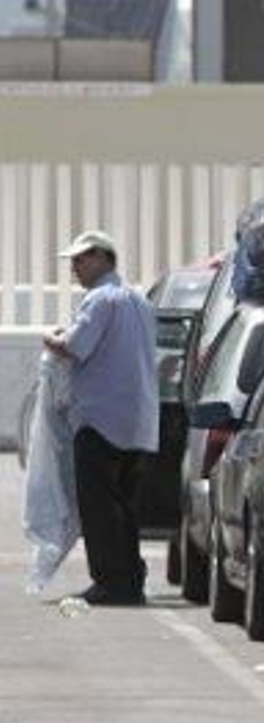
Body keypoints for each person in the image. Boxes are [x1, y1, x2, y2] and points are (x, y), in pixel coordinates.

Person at [42, 231, 158, 606]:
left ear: (103, 258)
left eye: (81, 259)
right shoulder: (138, 300)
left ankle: (110, 580)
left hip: (100, 418)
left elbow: (75, 347)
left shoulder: (100, 299)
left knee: (99, 505)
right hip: (136, 419)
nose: (75, 268)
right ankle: (129, 579)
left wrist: (51, 338)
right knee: (124, 504)